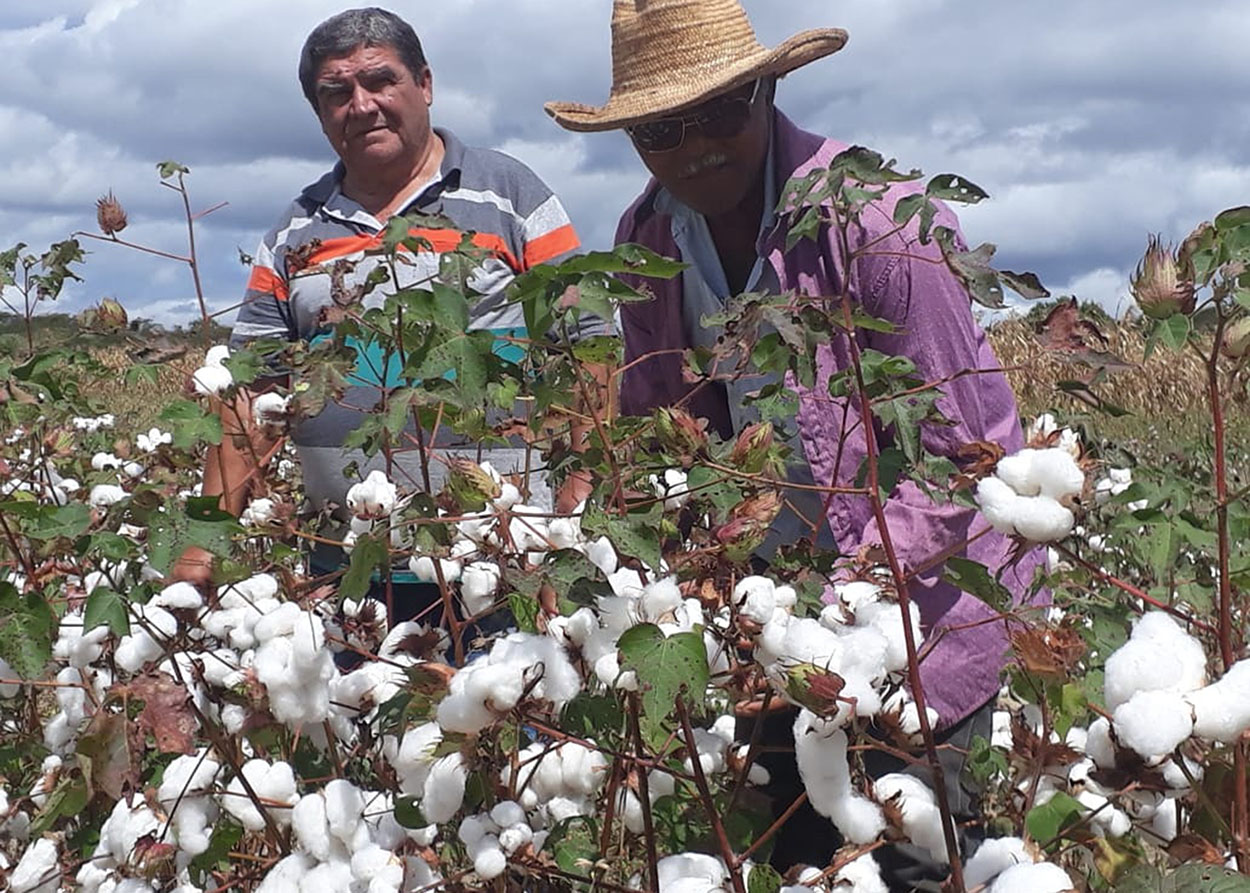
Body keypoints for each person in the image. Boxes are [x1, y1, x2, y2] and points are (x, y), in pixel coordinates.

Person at [546, 0, 1043, 887]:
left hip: (915, 618)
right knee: (800, 856)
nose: (693, 145)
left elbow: (962, 449)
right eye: (662, 127)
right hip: (773, 618)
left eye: (718, 114)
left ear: (765, 90)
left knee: (911, 860)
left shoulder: (877, 222)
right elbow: (668, 424)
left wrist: (842, 605)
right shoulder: (645, 239)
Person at [174, 7, 605, 624]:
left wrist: (574, 513)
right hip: (345, 567)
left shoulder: (509, 194)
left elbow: (588, 345)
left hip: (504, 561)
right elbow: (252, 391)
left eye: (380, 81)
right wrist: (201, 547)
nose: (362, 104)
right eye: (337, 93)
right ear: (320, 114)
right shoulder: (296, 231)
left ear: (424, 85)